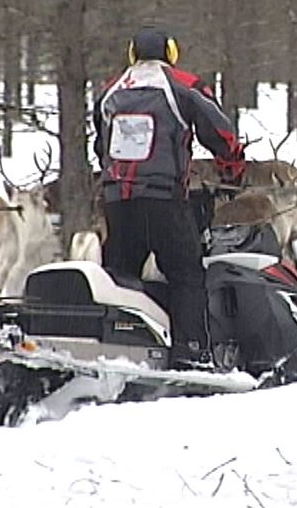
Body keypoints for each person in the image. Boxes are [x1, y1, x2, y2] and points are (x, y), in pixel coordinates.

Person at [93, 26, 245, 370]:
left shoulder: (111, 91)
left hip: (118, 201)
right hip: (164, 200)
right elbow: (222, 133)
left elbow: (100, 144)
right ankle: (191, 354)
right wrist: (232, 173)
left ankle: (118, 348)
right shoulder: (183, 86)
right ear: (171, 53)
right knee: (186, 276)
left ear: (132, 54)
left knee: (120, 277)